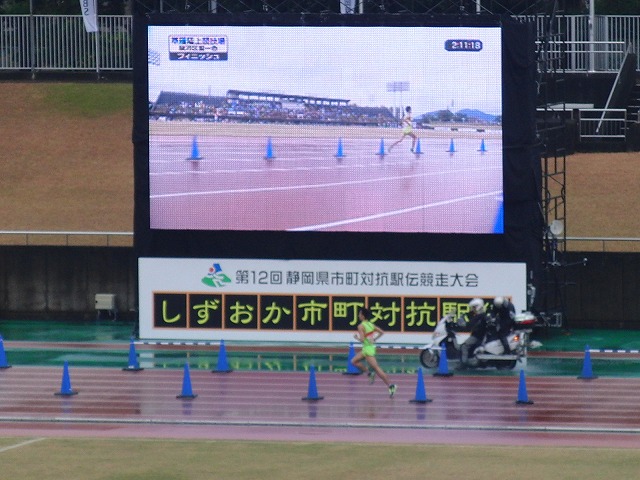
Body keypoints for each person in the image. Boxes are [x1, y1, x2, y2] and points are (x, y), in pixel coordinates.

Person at [350, 307, 397, 398]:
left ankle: (391, 386)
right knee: (354, 361)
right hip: (368, 348)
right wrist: (374, 339)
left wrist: (356, 338)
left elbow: (363, 340)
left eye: (359, 314)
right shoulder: (371, 325)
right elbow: (382, 332)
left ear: (363, 316)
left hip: (368, 350)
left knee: (377, 368)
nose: (358, 315)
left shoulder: (361, 326)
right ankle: (369, 373)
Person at [458, 298, 489, 369]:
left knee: (463, 346)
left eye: (474, 307)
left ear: (478, 307)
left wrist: (462, 323)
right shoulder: (482, 315)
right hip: (480, 336)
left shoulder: (479, 316)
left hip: (477, 336)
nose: (472, 309)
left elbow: (470, 324)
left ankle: (463, 364)